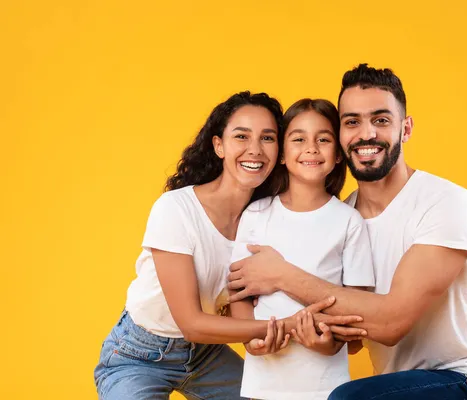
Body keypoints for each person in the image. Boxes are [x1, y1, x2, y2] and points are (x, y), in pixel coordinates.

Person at [227, 65, 467, 399]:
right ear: (341, 136)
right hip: (389, 387)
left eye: (381, 120)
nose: (366, 133)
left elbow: (389, 325)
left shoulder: (446, 203)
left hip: (459, 381)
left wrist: (280, 275)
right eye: (352, 121)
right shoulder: (342, 218)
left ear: (406, 128)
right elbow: (351, 334)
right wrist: (315, 336)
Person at [93, 91, 362, 400]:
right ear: (219, 145)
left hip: (207, 354)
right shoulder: (176, 209)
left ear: (280, 150)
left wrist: (272, 337)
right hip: (140, 352)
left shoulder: (265, 218)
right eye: (241, 137)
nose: (255, 150)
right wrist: (287, 327)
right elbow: (192, 324)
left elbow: (253, 301)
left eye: (267, 138)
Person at [230, 98, 375, 400]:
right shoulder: (256, 214)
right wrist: (249, 338)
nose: (311, 148)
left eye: (323, 139)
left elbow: (360, 313)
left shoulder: (349, 222)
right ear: (282, 154)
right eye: (299, 139)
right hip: (263, 385)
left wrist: (330, 344)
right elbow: (239, 293)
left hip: (326, 387)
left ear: (338, 155)